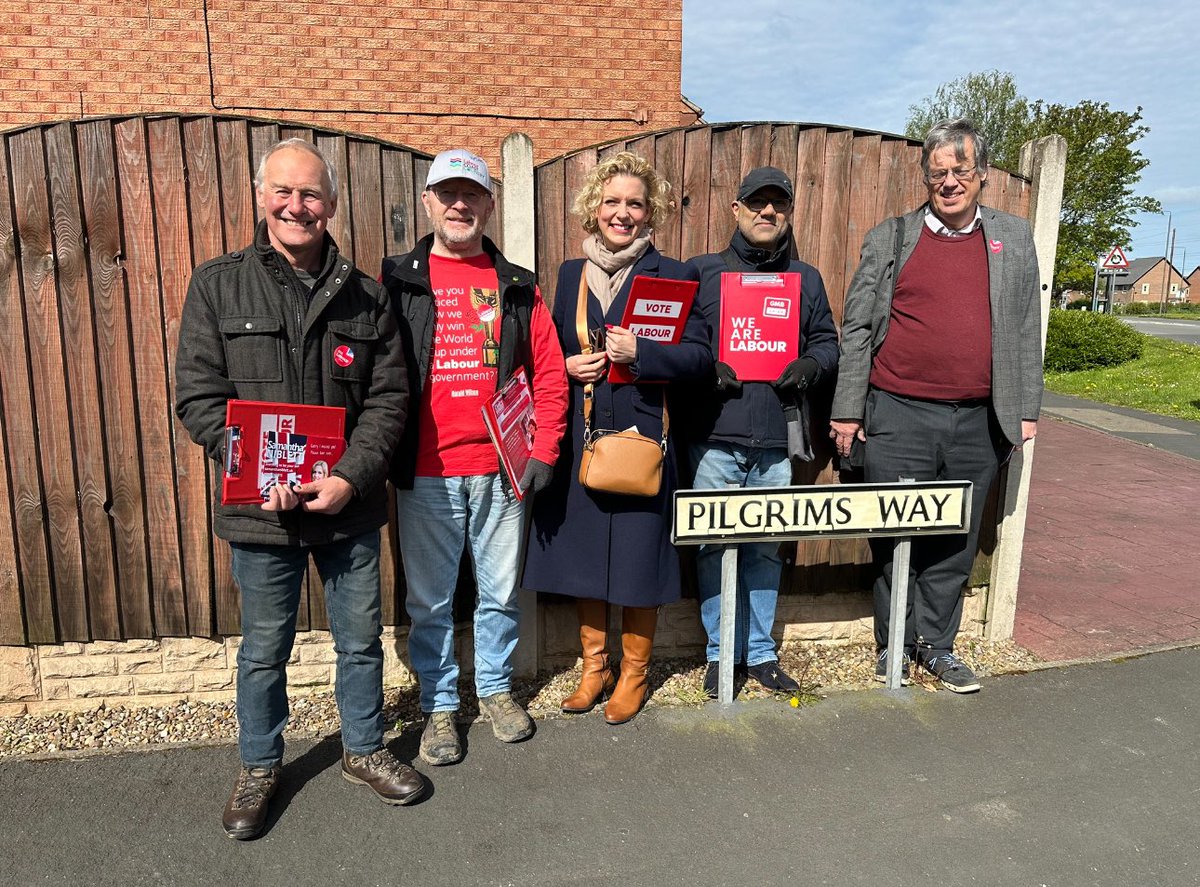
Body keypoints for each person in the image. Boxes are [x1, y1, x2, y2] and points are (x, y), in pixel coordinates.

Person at [175, 139, 423, 841]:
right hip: (261, 512)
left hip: (348, 508)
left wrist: (349, 476)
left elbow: (388, 399)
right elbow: (198, 395)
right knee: (263, 647)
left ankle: (365, 748)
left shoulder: (366, 296)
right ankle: (259, 764)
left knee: (360, 642)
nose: (296, 206)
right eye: (283, 192)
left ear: (333, 205)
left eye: (311, 194)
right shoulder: (217, 285)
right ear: (261, 198)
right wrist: (255, 466)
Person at [830, 118, 1044, 693]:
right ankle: (893, 646)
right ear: (927, 178)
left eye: (961, 171)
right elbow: (858, 328)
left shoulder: (1012, 237)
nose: (950, 182)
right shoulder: (891, 237)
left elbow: (1026, 326)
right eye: (939, 173)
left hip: (980, 420)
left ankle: (936, 647)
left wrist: (1027, 410)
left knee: (955, 538)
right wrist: (848, 410)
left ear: (982, 176)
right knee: (895, 535)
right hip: (898, 413)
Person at [381, 149, 569, 764]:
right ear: (429, 200)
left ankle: (493, 690)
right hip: (426, 473)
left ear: (489, 205)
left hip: (500, 468)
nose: (460, 205)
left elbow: (549, 372)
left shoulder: (517, 286)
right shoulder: (397, 281)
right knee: (429, 602)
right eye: (448, 194)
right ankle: (439, 706)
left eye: (472, 195)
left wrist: (544, 448)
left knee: (498, 593)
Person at [523, 152, 712, 724]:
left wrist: (644, 354)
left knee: (636, 560)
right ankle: (593, 667)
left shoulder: (675, 275)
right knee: (583, 557)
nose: (622, 214)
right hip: (583, 435)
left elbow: (702, 360)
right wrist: (566, 362)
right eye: (612, 202)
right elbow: (542, 351)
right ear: (594, 209)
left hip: (644, 440)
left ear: (648, 211)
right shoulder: (567, 275)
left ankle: (634, 674)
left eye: (634, 203)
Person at [684, 166, 840, 699]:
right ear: (736, 209)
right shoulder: (701, 272)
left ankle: (760, 654)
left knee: (766, 548)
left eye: (777, 204)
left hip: (777, 441)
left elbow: (827, 342)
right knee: (713, 548)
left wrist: (810, 367)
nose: (766, 212)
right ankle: (718, 654)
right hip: (713, 438)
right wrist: (707, 366)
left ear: (789, 212)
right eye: (756, 202)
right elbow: (679, 342)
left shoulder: (806, 279)